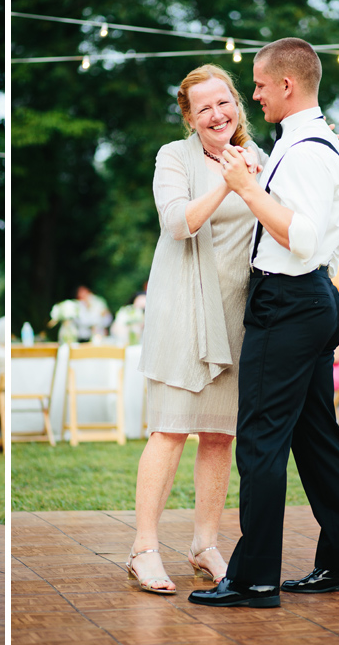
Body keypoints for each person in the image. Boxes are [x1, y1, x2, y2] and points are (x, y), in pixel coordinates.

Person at [190, 37, 339, 609]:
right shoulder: (300, 144)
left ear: (287, 85)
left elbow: (305, 236)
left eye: (261, 85)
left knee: (261, 442)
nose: (255, 95)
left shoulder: (310, 150)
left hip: (290, 301)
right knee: (317, 440)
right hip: (306, 302)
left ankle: (254, 579)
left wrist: (246, 188)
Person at [131, 64, 266, 595]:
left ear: (237, 104)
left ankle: (205, 543)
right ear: (189, 116)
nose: (218, 114)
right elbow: (176, 223)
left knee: (219, 434)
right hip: (182, 310)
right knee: (169, 428)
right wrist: (230, 187)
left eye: (224, 102)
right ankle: (143, 548)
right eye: (204, 107)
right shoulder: (174, 157)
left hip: (236, 310)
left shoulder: (260, 157)